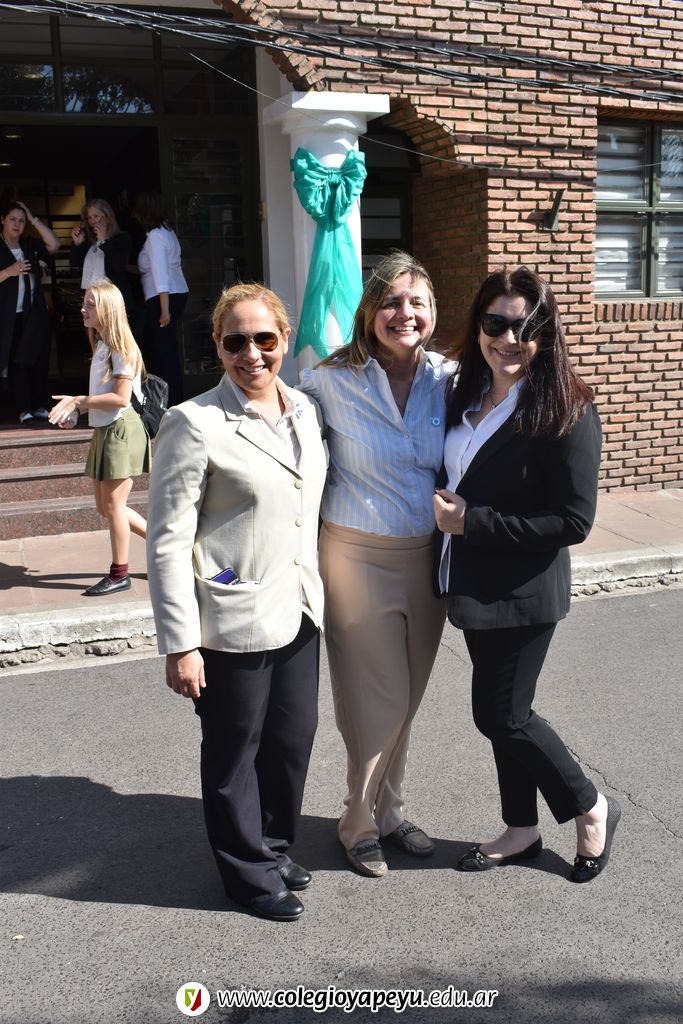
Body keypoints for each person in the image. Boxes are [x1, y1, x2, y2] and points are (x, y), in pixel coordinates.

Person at [146, 283, 327, 922]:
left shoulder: (305, 410)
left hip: (299, 606)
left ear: (284, 339)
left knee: (291, 740)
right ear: (218, 348)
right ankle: (247, 875)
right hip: (229, 616)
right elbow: (169, 540)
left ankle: (272, 847)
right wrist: (181, 642)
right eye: (235, 342)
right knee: (234, 751)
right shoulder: (193, 422)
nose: (252, 354)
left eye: (264, 339)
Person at [433, 266, 620, 884]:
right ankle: (521, 828)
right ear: (478, 326)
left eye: (527, 327)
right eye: (497, 323)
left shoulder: (567, 407)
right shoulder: (464, 394)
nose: (510, 339)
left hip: (524, 591)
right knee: (507, 714)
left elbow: (573, 520)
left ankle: (589, 806)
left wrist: (473, 522)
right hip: (472, 585)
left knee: (503, 716)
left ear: (547, 333)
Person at [299, 250, 451, 878]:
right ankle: (357, 822)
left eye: (417, 302)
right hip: (356, 556)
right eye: (390, 301)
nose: (403, 313)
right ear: (368, 313)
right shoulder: (328, 381)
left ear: (433, 311)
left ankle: (389, 811)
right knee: (374, 699)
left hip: (428, 559)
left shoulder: (451, 378)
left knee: (407, 697)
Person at [48, 280, 150, 597]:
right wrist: (78, 411)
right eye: (85, 303)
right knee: (106, 507)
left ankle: (119, 573)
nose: (83, 309)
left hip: (121, 429)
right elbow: (103, 396)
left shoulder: (121, 347)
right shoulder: (104, 344)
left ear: (108, 309)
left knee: (115, 506)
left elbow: (121, 398)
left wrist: (79, 401)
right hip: (106, 429)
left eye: (90, 304)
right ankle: (170, 546)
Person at [0, 200, 60, 424]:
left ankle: (39, 405)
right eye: (12, 219)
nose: (17, 224)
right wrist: (9, 271)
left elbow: (54, 244)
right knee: (17, 362)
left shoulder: (29, 244)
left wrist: (33, 218)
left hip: (34, 314)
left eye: (21, 220)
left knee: (38, 360)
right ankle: (23, 408)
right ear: (2, 220)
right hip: (9, 315)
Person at [132, 190, 188, 406]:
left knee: (164, 353)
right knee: (167, 351)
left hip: (163, 298)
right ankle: (173, 400)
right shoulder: (167, 231)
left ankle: (170, 402)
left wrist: (165, 310)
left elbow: (160, 274)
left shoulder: (155, 236)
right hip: (174, 293)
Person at [70, 199, 136, 319]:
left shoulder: (121, 238)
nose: (93, 221)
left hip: (113, 301)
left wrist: (104, 240)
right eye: (89, 218)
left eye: (96, 216)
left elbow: (119, 267)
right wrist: (77, 245)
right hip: (91, 302)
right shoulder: (89, 243)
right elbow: (74, 271)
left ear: (108, 217)